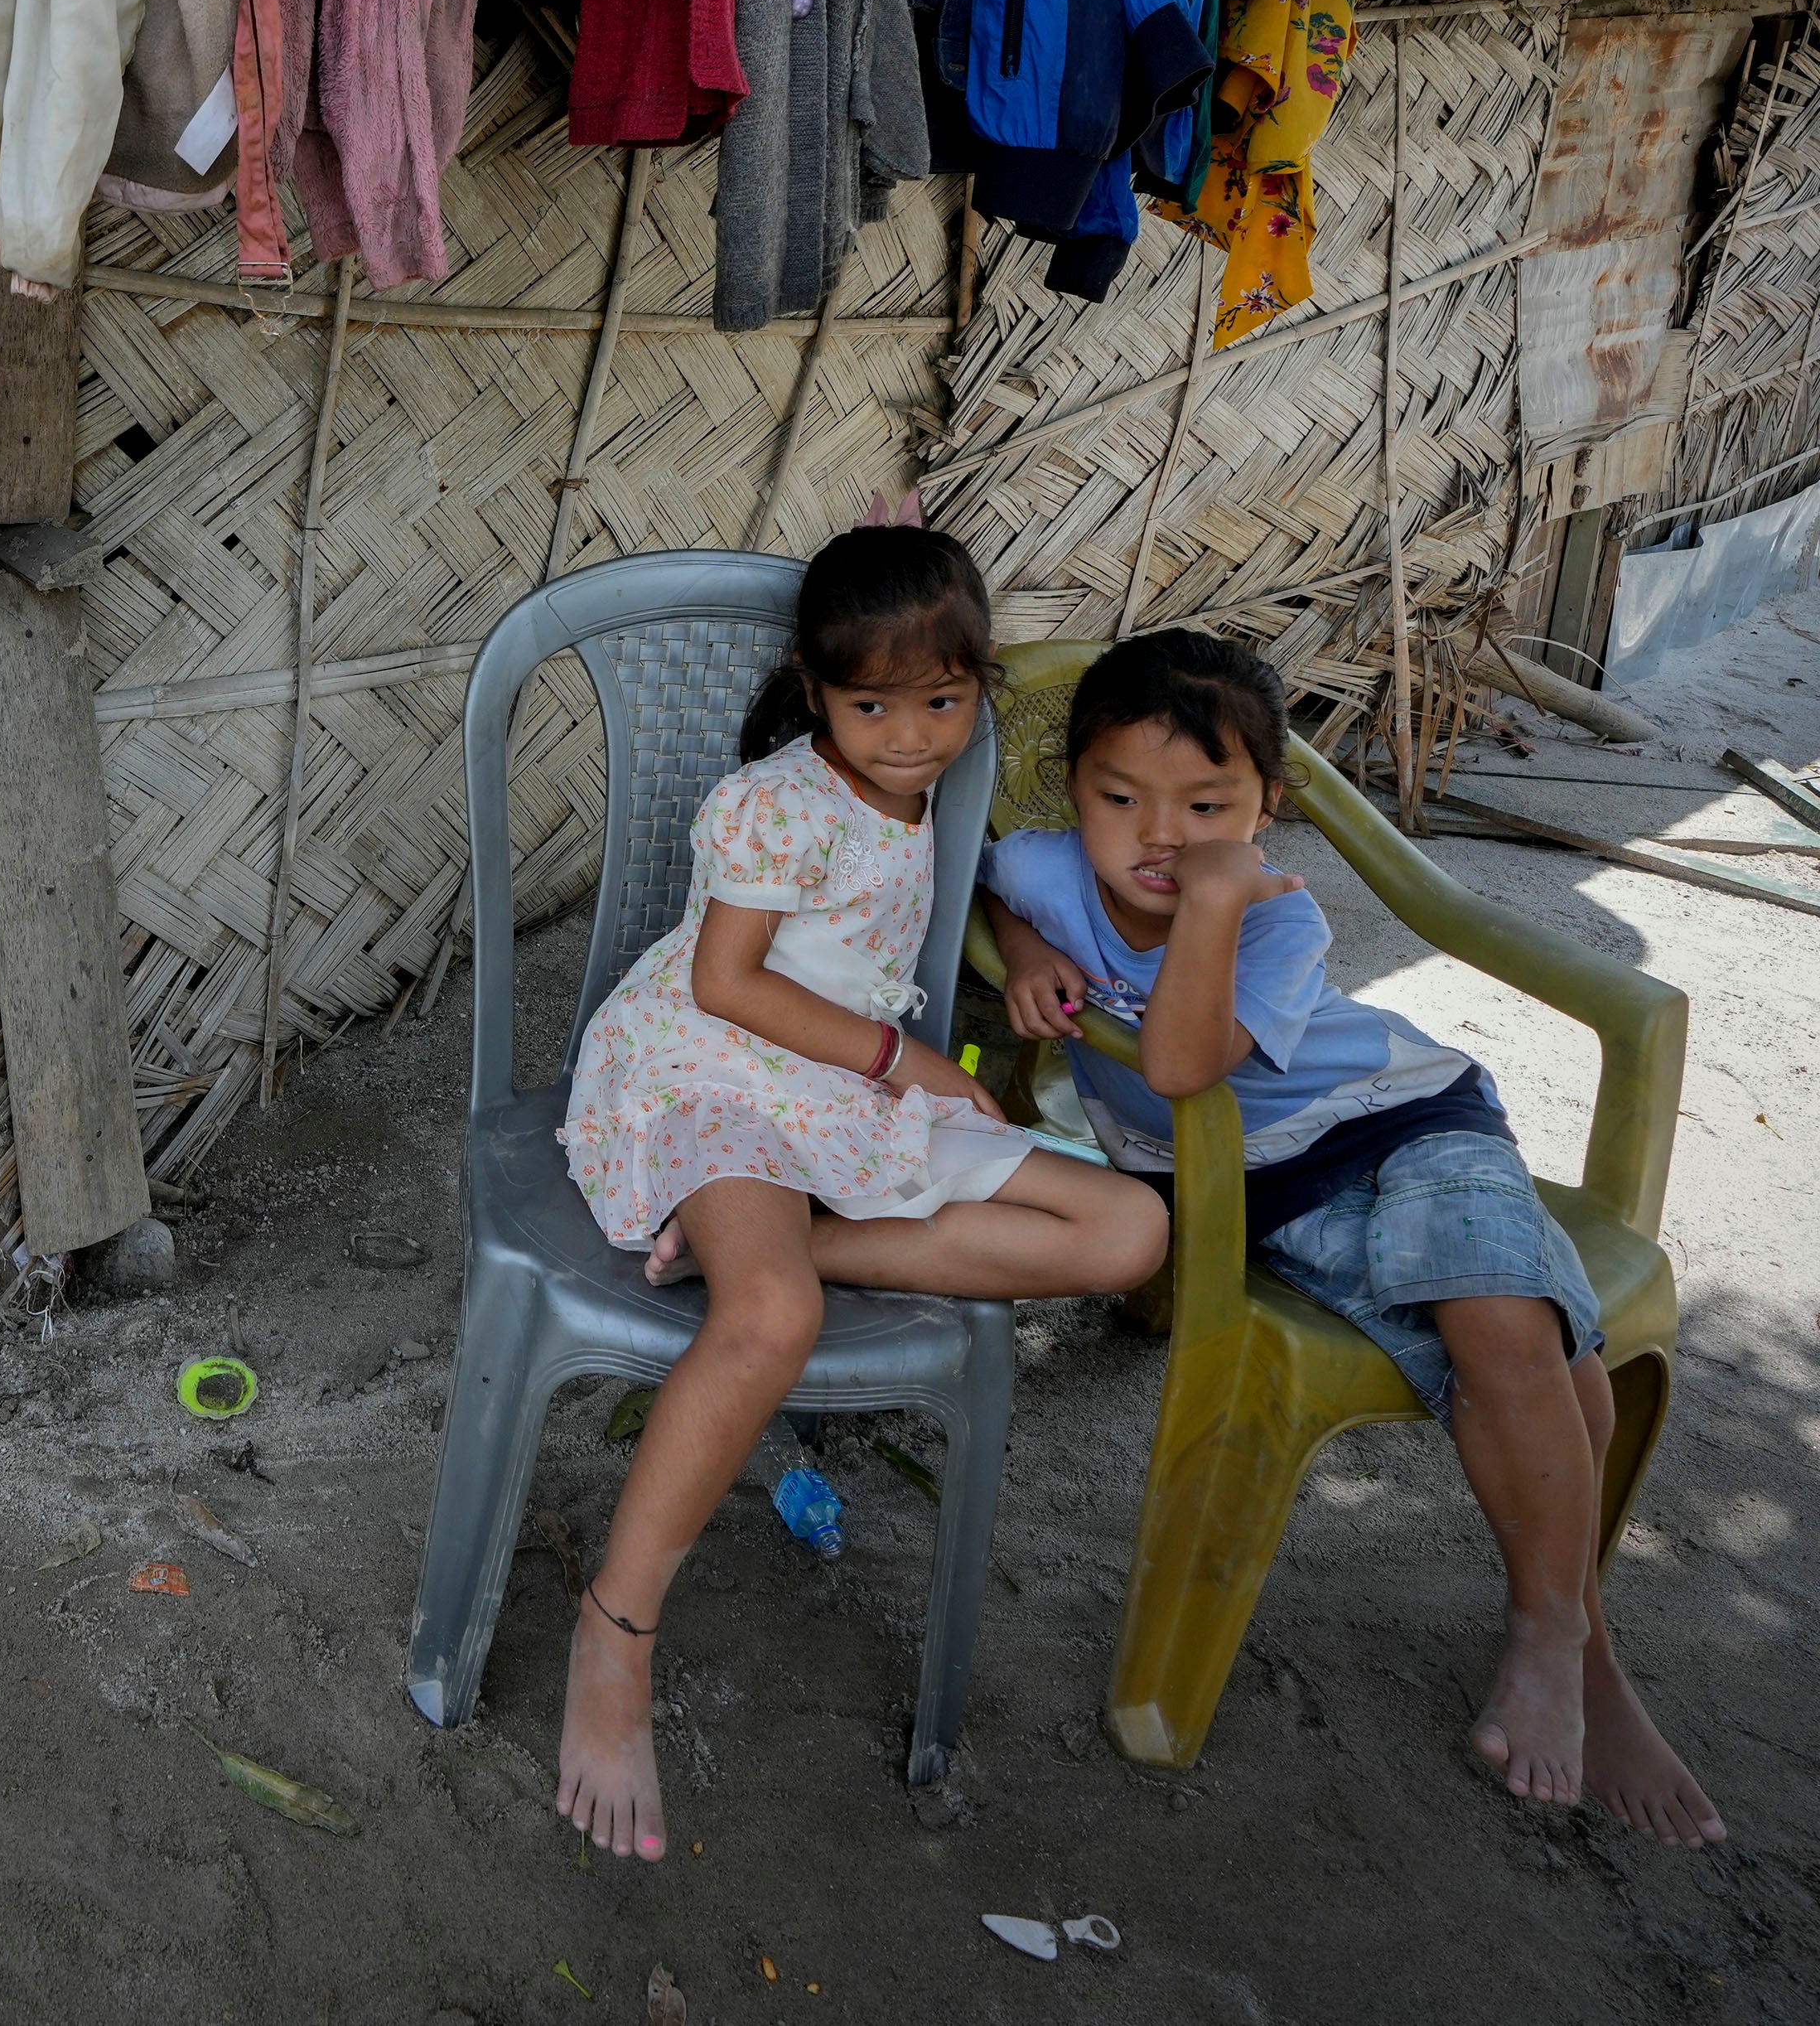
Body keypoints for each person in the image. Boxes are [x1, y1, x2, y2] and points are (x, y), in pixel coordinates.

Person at [976, 629, 1724, 1848]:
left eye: (1206, 806)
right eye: (1120, 799)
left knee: (1501, 1322)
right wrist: (1027, 951)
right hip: (1269, 1194)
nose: (1160, 836)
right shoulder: (1041, 868)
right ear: (1074, 793)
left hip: (1401, 1118)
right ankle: (1585, 1647)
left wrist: (1215, 900)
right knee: (1545, 1359)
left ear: (1265, 808)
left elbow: (1177, 1064)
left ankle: (1554, 1636)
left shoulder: (1275, 922)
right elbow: (990, 886)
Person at [550, 525, 1170, 1864]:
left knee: (1129, 1228)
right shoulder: (777, 804)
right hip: (712, 1072)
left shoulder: (932, 775)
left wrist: (1021, 952)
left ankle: (789, 1242)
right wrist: (911, 1063)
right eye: (871, 707)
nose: (909, 738)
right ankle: (615, 1631)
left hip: (836, 1102)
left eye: (941, 702)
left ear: (976, 684)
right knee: (768, 1319)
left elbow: (950, 877)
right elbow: (725, 985)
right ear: (815, 690)